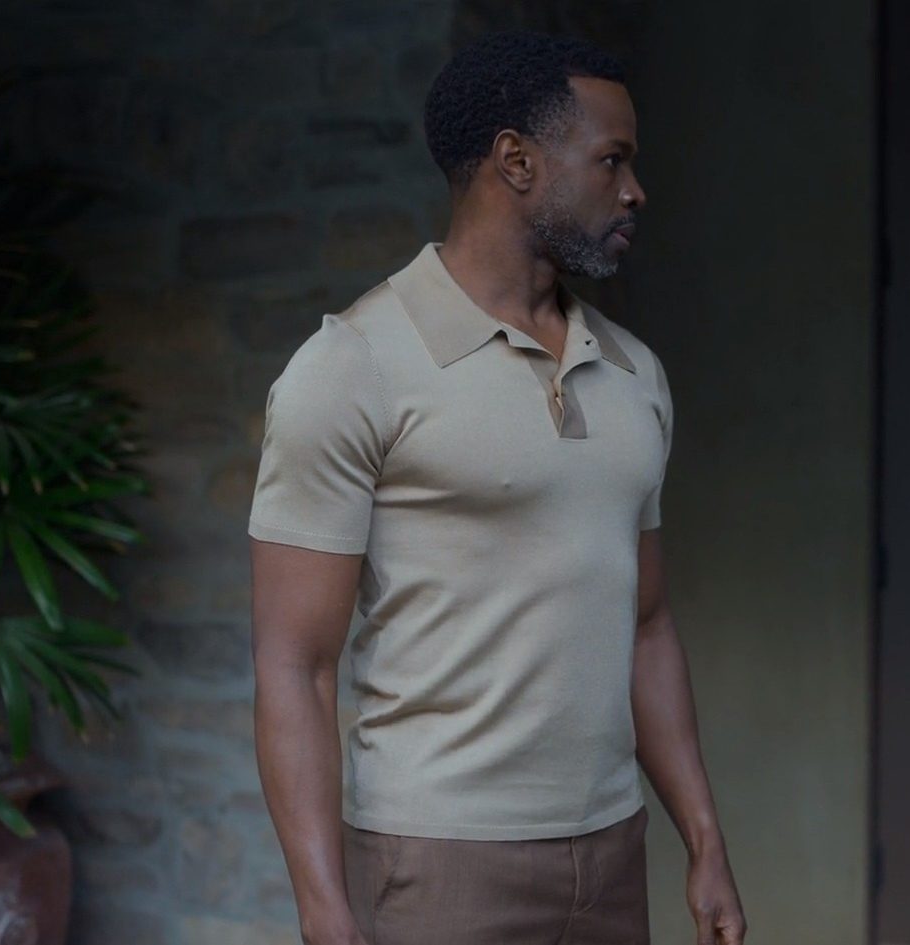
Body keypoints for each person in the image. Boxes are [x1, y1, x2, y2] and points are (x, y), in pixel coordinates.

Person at [249, 33, 746, 945]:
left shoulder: (635, 375)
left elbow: (647, 625)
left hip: (611, 848)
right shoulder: (354, 366)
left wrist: (704, 839)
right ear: (516, 161)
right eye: (612, 160)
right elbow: (295, 666)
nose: (635, 190)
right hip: (438, 861)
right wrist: (324, 911)